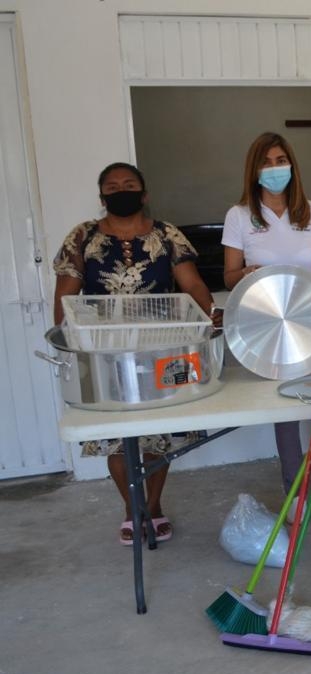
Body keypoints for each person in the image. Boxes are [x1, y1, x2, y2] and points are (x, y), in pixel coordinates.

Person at [53, 162, 217, 545]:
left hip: (162, 348)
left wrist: (210, 317)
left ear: (143, 194)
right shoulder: (82, 237)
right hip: (104, 353)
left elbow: (192, 284)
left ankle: (153, 506)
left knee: (159, 436)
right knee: (118, 437)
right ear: (102, 196)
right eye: (112, 187)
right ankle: (132, 508)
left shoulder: (167, 234)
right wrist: (68, 343)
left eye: (129, 185)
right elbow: (65, 299)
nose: (120, 191)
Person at [222, 132, 311, 516]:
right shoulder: (240, 216)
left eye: (281, 160)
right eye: (267, 162)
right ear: (254, 169)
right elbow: (229, 276)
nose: (275, 169)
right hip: (267, 328)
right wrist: (246, 273)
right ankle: (296, 494)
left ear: (292, 165)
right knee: (286, 412)